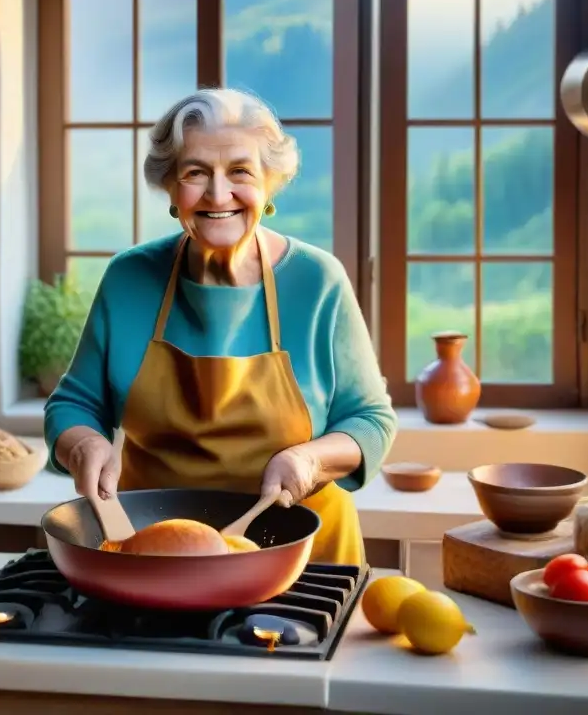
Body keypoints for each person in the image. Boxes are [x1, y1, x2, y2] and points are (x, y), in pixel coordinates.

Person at [43, 88, 397, 565]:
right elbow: (75, 402)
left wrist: (308, 460)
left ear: (270, 184)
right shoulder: (129, 279)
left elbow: (371, 421)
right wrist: (83, 443)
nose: (217, 194)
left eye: (239, 172)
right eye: (195, 173)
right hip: (156, 548)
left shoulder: (317, 281)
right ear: (170, 188)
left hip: (302, 554)